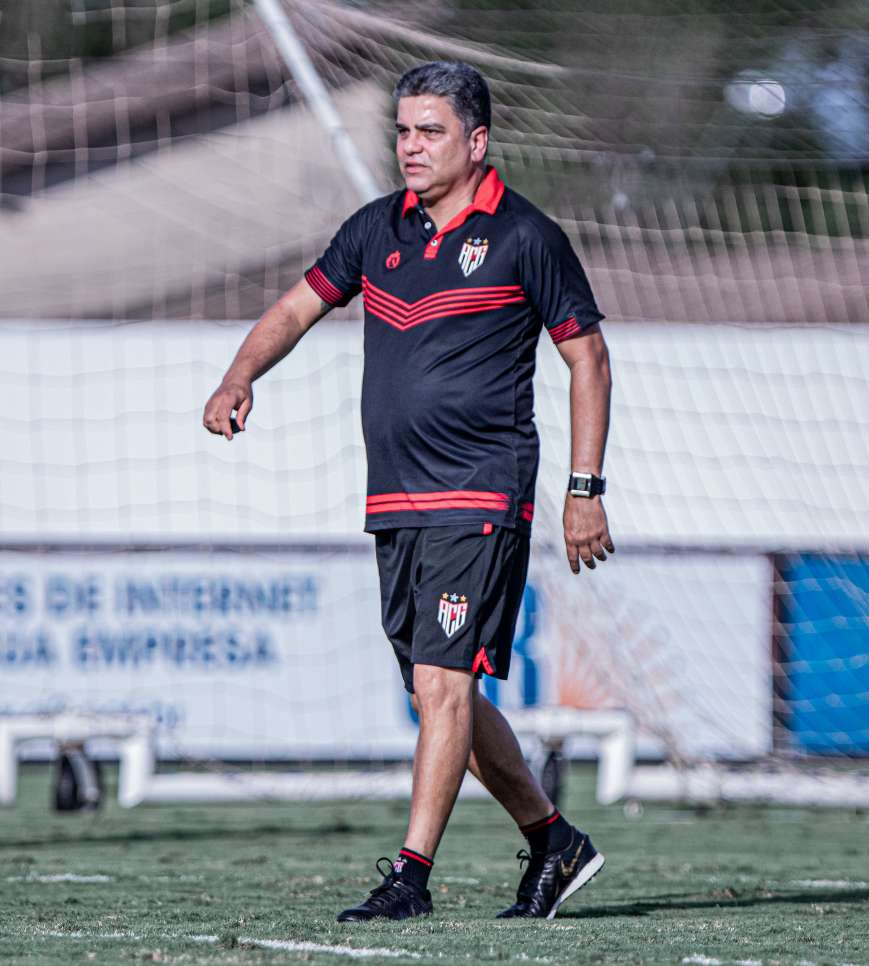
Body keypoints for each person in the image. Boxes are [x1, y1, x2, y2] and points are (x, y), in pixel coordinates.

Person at [203, 61, 614, 922]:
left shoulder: (524, 236)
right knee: (441, 692)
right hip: (397, 500)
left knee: (442, 684)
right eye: (403, 130)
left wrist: (585, 488)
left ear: (477, 140)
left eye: (430, 131)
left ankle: (410, 878)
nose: (411, 146)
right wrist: (241, 374)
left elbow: (587, 357)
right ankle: (553, 842)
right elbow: (294, 310)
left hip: (482, 492)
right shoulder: (375, 229)